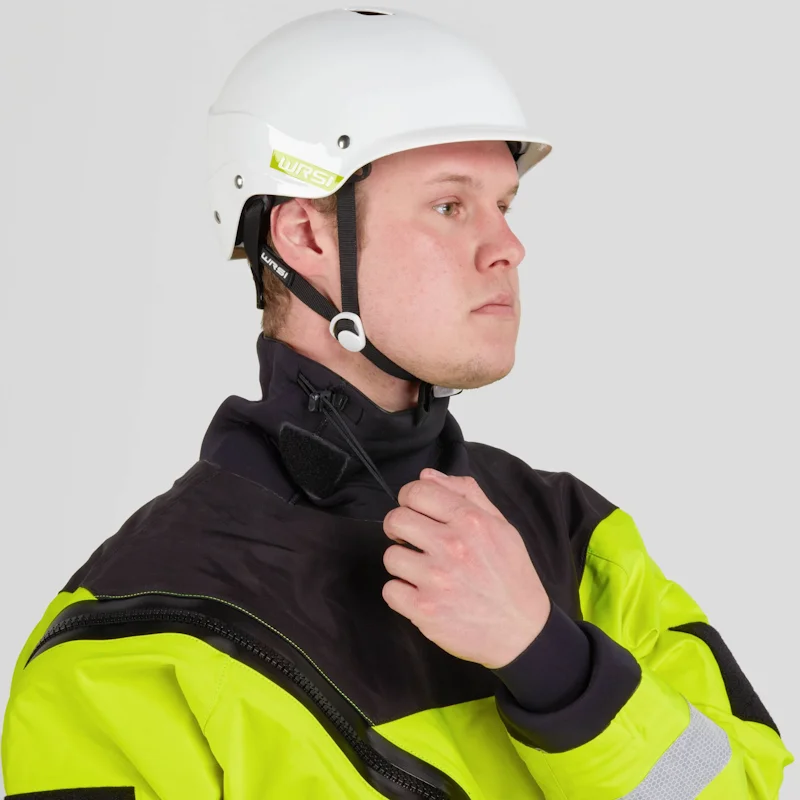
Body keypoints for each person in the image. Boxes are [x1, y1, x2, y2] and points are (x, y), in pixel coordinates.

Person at [1, 8, 792, 800]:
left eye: (505, 205)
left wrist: (552, 662)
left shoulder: (576, 538)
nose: (508, 248)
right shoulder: (128, 634)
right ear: (307, 236)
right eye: (451, 206)